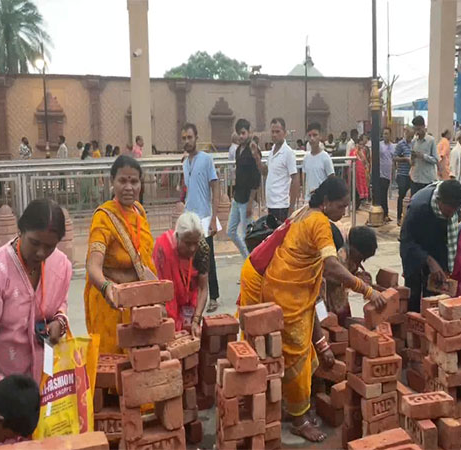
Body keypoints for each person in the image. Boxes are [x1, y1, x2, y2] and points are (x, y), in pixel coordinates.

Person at [238, 176, 385, 442]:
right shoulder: (319, 222)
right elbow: (330, 265)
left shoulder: (305, 212)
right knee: (295, 354)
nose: (344, 212)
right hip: (282, 290)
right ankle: (299, 418)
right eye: (341, 206)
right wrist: (368, 291)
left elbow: (314, 299)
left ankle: (281, 403)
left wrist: (323, 344)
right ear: (326, 202)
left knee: (295, 347)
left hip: (283, 286)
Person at [0, 199, 71, 384]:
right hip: (5, 386)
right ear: (21, 230)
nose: (41, 253)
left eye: (49, 246)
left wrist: (59, 322)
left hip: (48, 382)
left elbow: (61, 305)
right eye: (34, 243)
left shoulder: (62, 266)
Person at [84, 155, 157, 354]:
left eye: (134, 181)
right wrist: (107, 287)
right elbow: (93, 266)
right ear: (112, 182)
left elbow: (145, 258)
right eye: (122, 180)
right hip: (111, 305)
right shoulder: (104, 217)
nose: (128, 187)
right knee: (114, 366)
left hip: (138, 302)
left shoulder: (139, 211)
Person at [400, 180, 461, 312]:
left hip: (437, 247)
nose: (451, 216)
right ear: (440, 201)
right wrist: (428, 260)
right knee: (413, 295)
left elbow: (449, 240)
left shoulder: (454, 208)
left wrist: (446, 266)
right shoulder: (418, 207)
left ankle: (431, 328)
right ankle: (413, 326)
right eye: (448, 212)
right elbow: (406, 241)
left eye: (454, 212)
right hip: (414, 251)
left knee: (435, 299)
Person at [181, 123, 221, 313]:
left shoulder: (206, 159)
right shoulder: (184, 163)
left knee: (207, 258)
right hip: (189, 218)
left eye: (190, 137)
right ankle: (196, 295)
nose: (187, 141)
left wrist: (214, 217)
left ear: (196, 137)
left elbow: (215, 186)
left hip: (204, 217)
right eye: (184, 138)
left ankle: (213, 296)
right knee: (190, 257)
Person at [153, 212, 209, 335]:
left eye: (195, 242)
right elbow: (160, 288)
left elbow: (203, 288)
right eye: (188, 243)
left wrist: (196, 319)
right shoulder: (163, 248)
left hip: (191, 306)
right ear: (177, 236)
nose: (192, 248)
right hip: (168, 303)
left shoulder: (202, 249)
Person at [324, 226, 378, 327]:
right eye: (361, 258)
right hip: (325, 300)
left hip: (338, 300)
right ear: (354, 249)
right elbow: (337, 277)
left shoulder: (351, 255)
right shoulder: (340, 256)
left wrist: (357, 275)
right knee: (331, 325)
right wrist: (361, 285)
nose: (360, 263)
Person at [227, 119, 262, 260]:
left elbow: (256, 178)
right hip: (237, 196)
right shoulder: (237, 151)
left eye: (243, 133)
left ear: (249, 132)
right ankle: (247, 260)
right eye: (239, 133)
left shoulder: (253, 150)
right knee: (231, 231)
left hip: (247, 198)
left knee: (248, 235)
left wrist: (250, 202)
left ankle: (251, 266)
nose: (241, 136)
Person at [263, 117, 299, 223]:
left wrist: (291, 209)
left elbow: (295, 179)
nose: (274, 134)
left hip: (281, 205)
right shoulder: (272, 150)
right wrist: (256, 158)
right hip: (271, 204)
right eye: (272, 132)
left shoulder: (288, 153)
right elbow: (266, 172)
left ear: (284, 133)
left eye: (277, 131)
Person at [303, 122, 334, 202]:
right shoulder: (306, 158)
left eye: (315, 135)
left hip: (322, 200)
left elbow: (332, 179)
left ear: (320, 136)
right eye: (309, 136)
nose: (312, 138)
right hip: (309, 200)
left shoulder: (325, 157)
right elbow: (305, 179)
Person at [410, 116, 438, 196]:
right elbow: (412, 162)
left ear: (423, 126)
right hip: (415, 179)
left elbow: (435, 159)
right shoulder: (414, 141)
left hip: (427, 180)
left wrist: (423, 156)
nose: (417, 132)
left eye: (418, 129)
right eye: (415, 130)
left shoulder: (431, 140)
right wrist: (412, 158)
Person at [394, 127, 414, 225]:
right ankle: (399, 217)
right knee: (401, 194)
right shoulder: (400, 144)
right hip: (402, 173)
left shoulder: (414, 144)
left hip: (411, 174)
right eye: (409, 136)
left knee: (412, 196)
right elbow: (395, 157)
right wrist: (405, 159)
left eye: (412, 136)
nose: (410, 138)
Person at [379, 127, 395, 222]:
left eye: (387, 134)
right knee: (381, 194)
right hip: (380, 173)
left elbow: (394, 158)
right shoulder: (380, 145)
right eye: (384, 133)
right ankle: (384, 213)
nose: (385, 135)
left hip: (388, 173)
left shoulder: (393, 146)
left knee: (384, 193)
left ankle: (385, 213)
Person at [350, 135, 369, 209]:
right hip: (356, 172)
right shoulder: (354, 151)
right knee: (356, 188)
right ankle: (356, 204)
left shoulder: (363, 151)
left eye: (362, 144)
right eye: (359, 144)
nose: (361, 146)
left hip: (362, 172)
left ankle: (362, 202)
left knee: (363, 186)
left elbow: (365, 161)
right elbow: (352, 160)